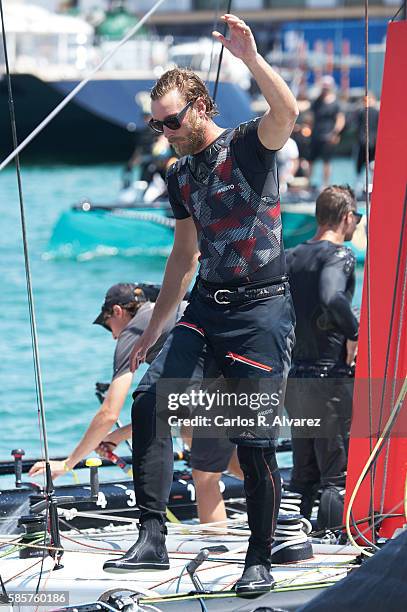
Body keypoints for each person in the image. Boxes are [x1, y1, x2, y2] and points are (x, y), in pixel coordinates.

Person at [103, 13, 298, 597]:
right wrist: (154, 328)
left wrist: (251, 60)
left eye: (173, 119)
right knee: (148, 400)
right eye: (157, 123)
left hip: (261, 312)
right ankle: (150, 537)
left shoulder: (249, 146)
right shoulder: (179, 173)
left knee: (255, 438)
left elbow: (286, 114)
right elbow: (183, 255)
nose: (167, 130)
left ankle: (258, 557)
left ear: (202, 106)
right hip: (205, 308)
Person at [28, 283, 241, 524]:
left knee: (205, 477)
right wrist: (119, 435)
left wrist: (67, 464)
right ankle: (276, 498)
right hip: (240, 363)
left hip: (217, 379)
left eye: (108, 325)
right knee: (199, 438)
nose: (113, 335)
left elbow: (109, 412)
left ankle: (217, 551)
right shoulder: (169, 310)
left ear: (118, 311)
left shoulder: (135, 329)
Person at [285, 185, 360, 528]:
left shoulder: (291, 257)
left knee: (303, 471)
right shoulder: (338, 255)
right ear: (346, 217)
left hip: (296, 377)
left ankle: (289, 539)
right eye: (356, 218)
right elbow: (332, 298)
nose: (356, 225)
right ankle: (334, 541)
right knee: (336, 472)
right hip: (329, 378)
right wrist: (358, 332)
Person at [309, 76, 346, 188]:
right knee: (311, 160)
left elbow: (340, 119)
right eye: (323, 87)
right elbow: (310, 117)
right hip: (316, 135)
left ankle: (325, 185)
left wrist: (335, 133)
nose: (325, 90)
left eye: (327, 87)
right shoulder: (317, 102)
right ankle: (309, 183)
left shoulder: (336, 103)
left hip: (328, 136)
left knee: (326, 162)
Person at [354, 92, 380, 183]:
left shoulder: (361, 112)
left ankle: (359, 185)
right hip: (373, 143)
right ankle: (371, 184)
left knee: (360, 166)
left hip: (363, 142)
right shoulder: (377, 112)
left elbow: (355, 126)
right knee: (372, 165)